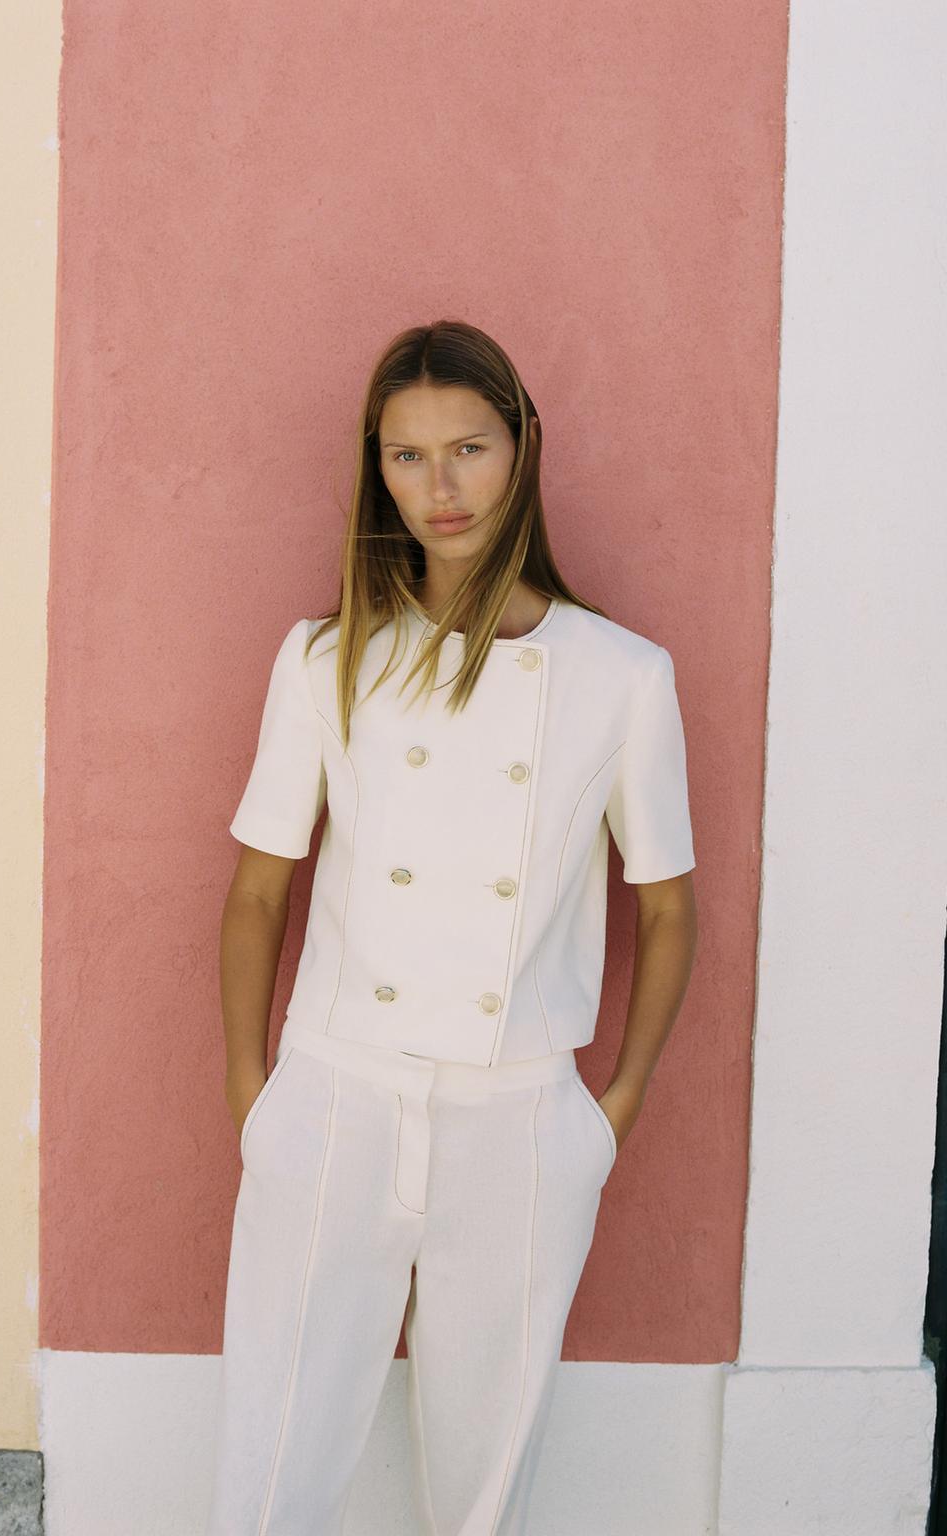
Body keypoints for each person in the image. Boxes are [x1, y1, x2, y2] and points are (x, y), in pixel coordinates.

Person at [205, 319, 698, 1536]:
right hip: (335, 1100)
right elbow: (259, 890)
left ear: (522, 447)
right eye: (407, 455)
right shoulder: (326, 660)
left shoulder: (621, 676)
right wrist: (257, 1100)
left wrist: (610, 1109)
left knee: (485, 1493)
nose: (441, 486)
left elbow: (667, 905)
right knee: (268, 1475)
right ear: (376, 469)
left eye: (468, 448)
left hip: (518, 1122)